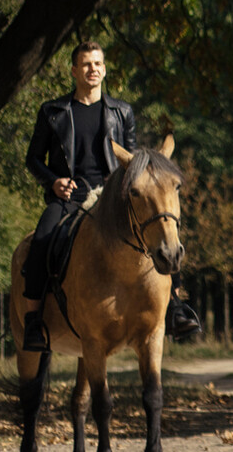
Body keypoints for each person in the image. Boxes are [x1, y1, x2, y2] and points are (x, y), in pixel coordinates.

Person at [21, 41, 200, 351]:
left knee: (162, 229)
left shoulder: (121, 111)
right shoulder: (52, 112)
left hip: (112, 198)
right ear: (74, 70)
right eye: (86, 64)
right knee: (41, 241)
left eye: (97, 64)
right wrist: (53, 182)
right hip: (70, 197)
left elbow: (132, 161)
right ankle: (34, 322)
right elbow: (33, 159)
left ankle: (175, 307)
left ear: (104, 70)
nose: (92, 69)